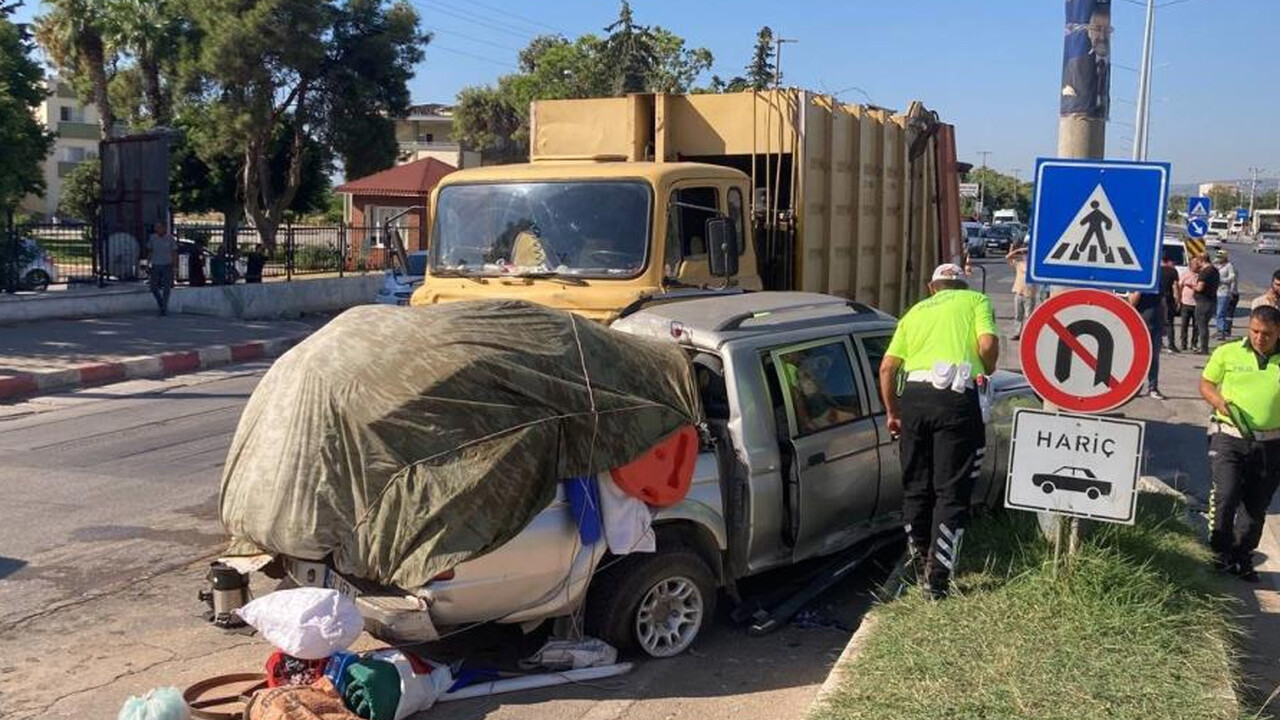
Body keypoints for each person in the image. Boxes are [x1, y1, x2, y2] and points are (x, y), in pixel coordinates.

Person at [880, 263, 999, 600]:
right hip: (957, 399)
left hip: (914, 400)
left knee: (916, 487)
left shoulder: (914, 312)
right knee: (951, 490)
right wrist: (987, 367)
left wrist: (893, 412)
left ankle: (918, 563)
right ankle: (937, 580)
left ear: (933, 288)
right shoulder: (976, 300)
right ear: (961, 286)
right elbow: (987, 345)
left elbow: (888, 367)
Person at [1199, 305, 1280, 581]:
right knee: (1226, 494)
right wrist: (1218, 401)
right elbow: (1207, 383)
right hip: (1229, 435)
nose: (1259, 338)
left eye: (1267, 334)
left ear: (1278, 332)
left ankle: (1241, 557)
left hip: (1270, 443)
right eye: (1255, 331)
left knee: (1256, 505)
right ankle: (1219, 553)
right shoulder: (1229, 352)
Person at [1128, 284, 1164, 399]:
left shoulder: (1157, 282)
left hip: (1156, 325)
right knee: (1137, 357)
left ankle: (1153, 387)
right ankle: (1134, 388)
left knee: (1154, 357)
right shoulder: (1139, 283)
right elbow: (1132, 302)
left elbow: (1163, 303)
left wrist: (1165, 323)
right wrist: (1141, 289)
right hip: (1140, 325)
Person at [145, 220, 178, 316]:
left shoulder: (170, 238)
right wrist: (148, 264)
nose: (157, 230)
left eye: (159, 227)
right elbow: (150, 252)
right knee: (153, 286)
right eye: (156, 228)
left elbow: (174, 253)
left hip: (167, 264)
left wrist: (175, 266)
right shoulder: (153, 238)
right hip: (156, 264)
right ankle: (160, 302)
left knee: (167, 287)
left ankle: (164, 307)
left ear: (164, 228)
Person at [1006, 240, 1036, 340]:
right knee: (1018, 315)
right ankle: (1017, 333)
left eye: (1027, 253)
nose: (1025, 255)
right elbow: (1008, 257)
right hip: (1019, 292)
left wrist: (1028, 250)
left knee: (1029, 316)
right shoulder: (1019, 263)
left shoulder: (1034, 265)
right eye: (1024, 254)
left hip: (1029, 293)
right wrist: (1019, 250)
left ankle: (1028, 334)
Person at [1193, 252, 1220, 354]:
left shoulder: (1205, 272)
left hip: (1203, 302)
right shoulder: (1215, 271)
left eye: (1198, 261)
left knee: (1202, 325)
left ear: (1201, 260)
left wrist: (1192, 286)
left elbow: (1200, 287)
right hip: (1212, 301)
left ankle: (1203, 348)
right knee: (1204, 324)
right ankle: (1203, 347)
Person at [1213, 250, 1238, 341]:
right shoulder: (1216, 264)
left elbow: (1232, 277)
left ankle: (1222, 331)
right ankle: (1218, 330)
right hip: (1216, 292)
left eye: (1220, 257)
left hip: (1224, 292)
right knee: (1216, 313)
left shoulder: (1229, 266)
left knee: (1221, 313)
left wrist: (1222, 280)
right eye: (1218, 256)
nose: (1218, 258)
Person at [1178, 256, 1200, 351]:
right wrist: (1178, 299)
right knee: (1184, 325)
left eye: (1198, 263)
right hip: (1186, 303)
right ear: (1191, 265)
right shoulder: (1185, 274)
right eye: (1195, 263)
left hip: (1197, 304)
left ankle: (1194, 344)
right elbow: (1179, 286)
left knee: (1196, 326)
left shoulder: (1201, 275)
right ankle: (1183, 344)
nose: (1197, 265)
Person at [1159, 253, 1180, 352]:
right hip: (1168, 298)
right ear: (1168, 261)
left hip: (1157, 298)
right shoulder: (1172, 271)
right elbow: (1175, 286)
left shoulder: (1156, 270)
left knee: (1157, 322)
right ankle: (1171, 345)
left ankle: (1158, 343)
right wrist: (1178, 299)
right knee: (1170, 323)